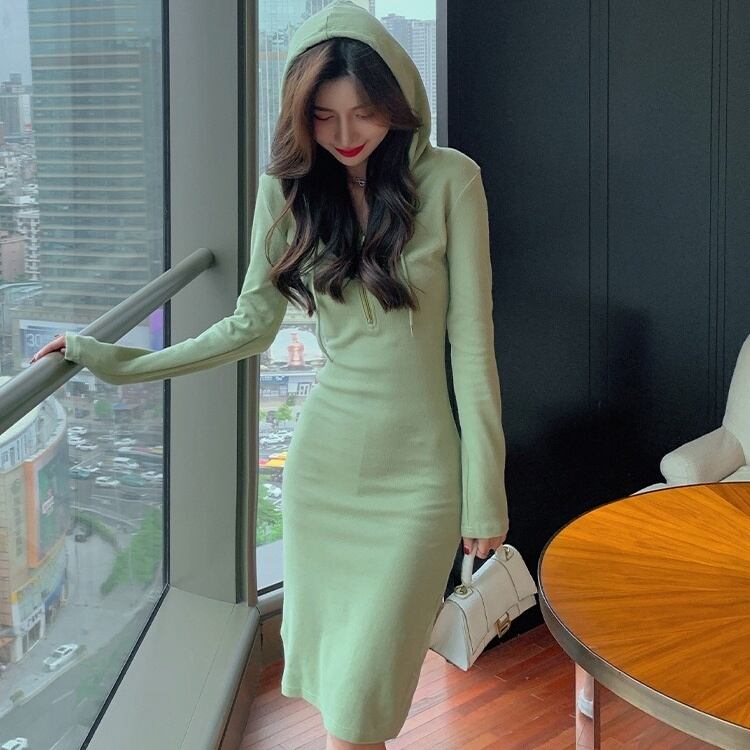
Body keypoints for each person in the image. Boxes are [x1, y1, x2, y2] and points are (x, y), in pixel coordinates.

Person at [32, 1, 510, 747]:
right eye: (324, 116)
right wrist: (118, 362)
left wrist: (486, 493)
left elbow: (474, 350)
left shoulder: (452, 181)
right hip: (325, 472)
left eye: (364, 112)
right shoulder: (285, 191)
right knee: (346, 702)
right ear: (300, 114)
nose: (346, 135)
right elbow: (249, 327)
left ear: (398, 102)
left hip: (421, 482)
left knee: (365, 694)